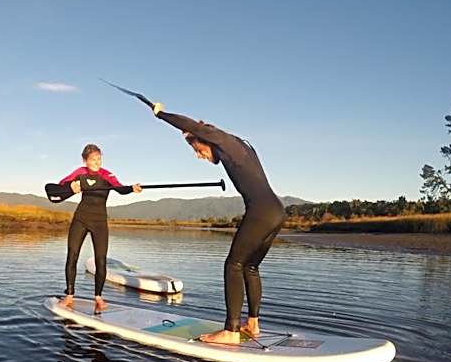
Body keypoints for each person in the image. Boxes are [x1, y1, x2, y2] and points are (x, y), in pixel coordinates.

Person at [150, 102, 285, 345]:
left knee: (233, 264)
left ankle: (231, 332)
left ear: (205, 139)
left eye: (197, 149)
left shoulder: (225, 141)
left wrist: (161, 114)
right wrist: (191, 134)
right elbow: (194, 129)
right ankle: (253, 324)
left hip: (261, 212)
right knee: (249, 267)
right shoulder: (238, 146)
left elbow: (193, 125)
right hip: (276, 211)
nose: (198, 155)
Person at [58, 144, 142, 313]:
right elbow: (60, 186)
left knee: (101, 259)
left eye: (99, 158)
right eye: (93, 159)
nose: (97, 162)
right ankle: (69, 295)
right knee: (72, 256)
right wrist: (70, 188)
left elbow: (120, 188)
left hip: (100, 222)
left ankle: (98, 298)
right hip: (80, 219)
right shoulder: (79, 173)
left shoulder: (107, 175)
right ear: (85, 160)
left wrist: (132, 188)